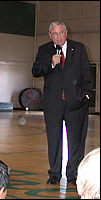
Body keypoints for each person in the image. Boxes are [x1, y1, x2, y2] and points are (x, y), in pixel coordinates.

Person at [32, 21, 93, 185]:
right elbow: (36, 71)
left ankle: (73, 175)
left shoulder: (79, 48)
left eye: (61, 33)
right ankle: (54, 174)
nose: (58, 37)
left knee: (76, 141)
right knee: (54, 140)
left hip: (76, 104)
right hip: (53, 106)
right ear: (50, 35)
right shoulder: (44, 50)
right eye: (54, 34)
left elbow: (87, 73)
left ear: (66, 33)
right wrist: (51, 63)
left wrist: (86, 96)